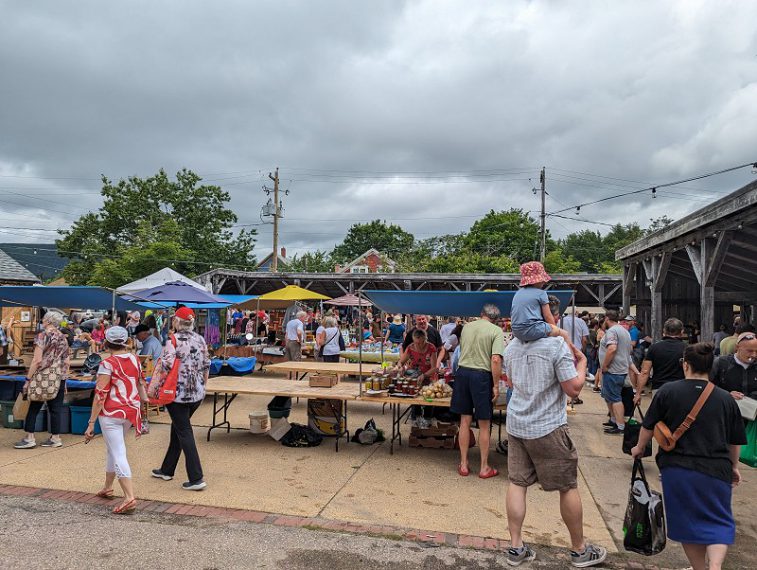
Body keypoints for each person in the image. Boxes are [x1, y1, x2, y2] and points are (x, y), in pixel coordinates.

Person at [503, 307, 607, 567]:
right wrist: (582, 364)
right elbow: (573, 389)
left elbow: (513, 384)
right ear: (547, 318)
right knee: (567, 486)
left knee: (517, 483)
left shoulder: (512, 347)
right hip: (548, 425)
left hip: (517, 424)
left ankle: (516, 548)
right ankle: (580, 550)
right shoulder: (555, 345)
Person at [632, 343, 746, 570]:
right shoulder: (726, 399)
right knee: (719, 519)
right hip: (717, 468)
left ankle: (699, 568)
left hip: (678, 468)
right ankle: (715, 566)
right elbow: (735, 441)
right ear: (711, 368)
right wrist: (733, 466)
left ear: (685, 365)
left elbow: (648, 425)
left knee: (688, 522)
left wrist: (638, 448)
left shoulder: (667, 391)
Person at [85, 326, 148, 514]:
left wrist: (90, 423)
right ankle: (108, 487)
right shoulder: (135, 359)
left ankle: (129, 497)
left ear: (106, 342)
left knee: (118, 451)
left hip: (112, 412)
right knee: (113, 449)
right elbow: (140, 384)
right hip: (130, 411)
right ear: (126, 341)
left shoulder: (107, 364)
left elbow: (100, 395)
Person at [149, 307, 210, 491]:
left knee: (184, 431)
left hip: (177, 395)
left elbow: (164, 367)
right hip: (196, 393)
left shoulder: (172, 341)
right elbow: (207, 364)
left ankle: (196, 477)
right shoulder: (200, 340)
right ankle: (167, 469)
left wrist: (154, 389)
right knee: (178, 429)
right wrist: (203, 386)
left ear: (176, 322)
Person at [450, 304, 504, 479]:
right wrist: (495, 385)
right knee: (484, 424)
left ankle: (464, 464)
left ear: (481, 314)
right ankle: (483, 467)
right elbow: (495, 359)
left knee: (464, 420)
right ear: (495, 319)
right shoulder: (496, 331)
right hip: (481, 377)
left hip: (463, 373)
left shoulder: (466, 327)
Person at [14, 311, 70, 450]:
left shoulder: (42, 335)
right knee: (55, 409)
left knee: (34, 407)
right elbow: (67, 361)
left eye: (44, 319)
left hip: (42, 377)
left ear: (49, 321)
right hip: (58, 378)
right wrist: (65, 381)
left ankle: (29, 438)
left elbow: (37, 360)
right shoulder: (63, 337)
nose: (43, 321)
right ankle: (55, 438)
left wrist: (28, 379)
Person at [510, 261, 572, 346]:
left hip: (516, 331)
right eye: (542, 280)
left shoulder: (518, 293)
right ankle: (573, 357)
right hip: (532, 329)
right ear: (536, 280)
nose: (544, 282)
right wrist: (556, 330)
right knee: (564, 334)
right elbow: (548, 316)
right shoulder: (541, 293)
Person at [634, 318, 686, 405]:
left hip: (659, 388)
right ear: (682, 331)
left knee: (659, 417)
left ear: (664, 331)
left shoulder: (654, 348)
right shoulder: (687, 349)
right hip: (680, 389)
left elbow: (645, 372)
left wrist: (638, 394)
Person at [598, 309, 633, 435]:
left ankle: (620, 426)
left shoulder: (612, 331)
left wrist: (605, 366)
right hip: (620, 369)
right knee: (610, 397)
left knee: (615, 398)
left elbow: (612, 349)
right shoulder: (624, 331)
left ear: (607, 319)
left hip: (613, 370)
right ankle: (614, 420)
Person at [710, 331, 757, 401]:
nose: (754, 355)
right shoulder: (720, 363)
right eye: (750, 351)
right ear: (737, 347)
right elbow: (708, 387)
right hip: (727, 408)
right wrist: (727, 395)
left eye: (756, 351)